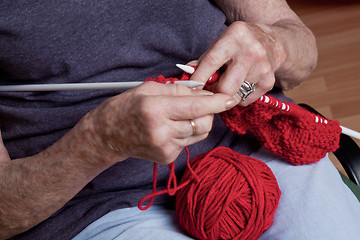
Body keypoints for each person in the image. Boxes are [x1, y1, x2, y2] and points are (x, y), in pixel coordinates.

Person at [0, 0, 359, 239]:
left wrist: (275, 43)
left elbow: (299, 48)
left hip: (257, 146)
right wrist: (98, 141)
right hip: (96, 206)